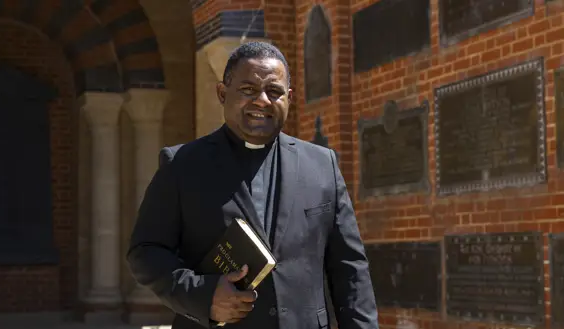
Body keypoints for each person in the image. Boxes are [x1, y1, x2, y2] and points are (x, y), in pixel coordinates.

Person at [126, 41, 379, 329]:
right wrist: (204, 296)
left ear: (289, 98)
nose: (262, 100)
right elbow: (145, 252)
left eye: (274, 91)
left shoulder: (322, 166)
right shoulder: (182, 164)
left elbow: (350, 270)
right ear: (222, 93)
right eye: (248, 90)